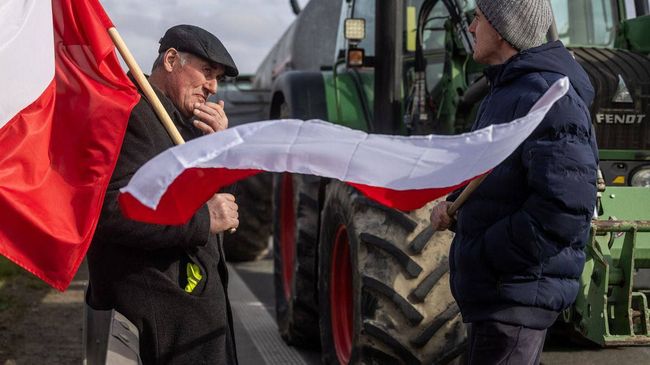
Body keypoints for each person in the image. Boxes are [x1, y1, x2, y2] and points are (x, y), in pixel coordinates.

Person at [429, 0, 598, 364]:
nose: (471, 28)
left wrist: (487, 253)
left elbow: (563, 211)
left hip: (514, 297)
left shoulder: (547, 97)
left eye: (477, 18)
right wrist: (455, 208)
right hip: (499, 297)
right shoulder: (506, 93)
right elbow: (494, 179)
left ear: (503, 28)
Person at [87, 25, 240, 364]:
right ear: (171, 59)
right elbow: (109, 210)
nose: (213, 87)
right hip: (154, 328)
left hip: (187, 325)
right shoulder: (127, 111)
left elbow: (222, 207)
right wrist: (203, 219)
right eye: (207, 72)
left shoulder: (182, 123)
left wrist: (221, 150)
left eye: (218, 78)